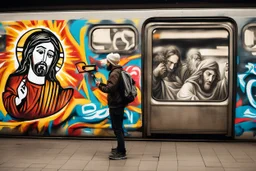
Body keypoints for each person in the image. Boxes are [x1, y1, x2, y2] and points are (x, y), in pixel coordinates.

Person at [2, 29, 73, 120]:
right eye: (40, 52)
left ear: (53, 61)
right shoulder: (15, 81)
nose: (44, 59)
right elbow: (9, 105)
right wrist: (19, 99)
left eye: (50, 55)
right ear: (29, 53)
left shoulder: (56, 90)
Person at [96, 53, 127, 160]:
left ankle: (121, 152)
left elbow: (110, 89)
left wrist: (100, 86)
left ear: (111, 62)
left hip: (116, 104)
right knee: (118, 128)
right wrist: (102, 84)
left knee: (117, 128)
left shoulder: (114, 73)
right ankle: (119, 148)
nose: (106, 64)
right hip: (118, 103)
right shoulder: (118, 71)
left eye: (108, 62)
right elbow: (113, 86)